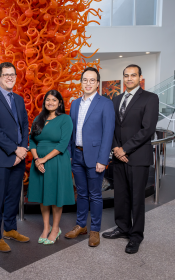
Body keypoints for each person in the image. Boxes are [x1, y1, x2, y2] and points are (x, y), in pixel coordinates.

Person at [102, 64, 159, 254]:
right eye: (126, 75)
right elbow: (112, 127)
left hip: (137, 157)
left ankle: (136, 236)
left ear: (140, 77)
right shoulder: (116, 99)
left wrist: (124, 149)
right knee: (121, 196)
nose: (129, 79)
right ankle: (122, 227)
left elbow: (147, 129)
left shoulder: (150, 98)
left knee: (136, 198)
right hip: (119, 157)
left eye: (133, 75)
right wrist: (116, 148)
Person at [0, 62, 30, 253]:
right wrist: (15, 150)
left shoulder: (18, 99)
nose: (10, 77)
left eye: (12, 74)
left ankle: (10, 229)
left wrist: (24, 148)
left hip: (19, 156)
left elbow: (25, 125)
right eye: (6, 74)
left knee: (13, 196)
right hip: (2, 157)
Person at [64, 67, 115, 247]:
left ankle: (95, 229)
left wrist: (103, 159)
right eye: (85, 80)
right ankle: (80, 225)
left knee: (95, 195)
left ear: (98, 83)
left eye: (92, 80)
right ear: (81, 82)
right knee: (82, 194)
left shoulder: (105, 104)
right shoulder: (75, 103)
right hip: (77, 155)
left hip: (95, 157)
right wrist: (70, 155)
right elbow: (71, 131)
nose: (88, 83)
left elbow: (108, 133)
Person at [28, 90, 74, 245]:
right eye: (48, 100)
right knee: (43, 195)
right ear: (44, 102)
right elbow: (32, 140)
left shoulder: (65, 119)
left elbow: (63, 143)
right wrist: (36, 159)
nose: (50, 103)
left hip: (57, 161)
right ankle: (46, 227)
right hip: (39, 161)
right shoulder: (38, 118)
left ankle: (55, 229)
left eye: (54, 100)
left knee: (55, 196)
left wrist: (44, 159)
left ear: (59, 103)